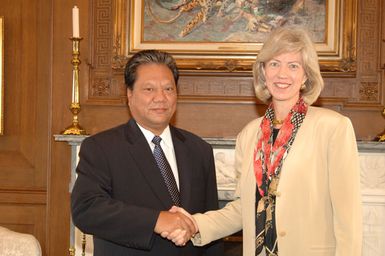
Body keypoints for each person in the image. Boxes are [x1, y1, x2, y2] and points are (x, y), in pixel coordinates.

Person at [166, 26, 363, 256]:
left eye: (293, 66)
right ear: (263, 72)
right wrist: (195, 224)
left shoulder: (333, 128)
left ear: (305, 76)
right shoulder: (249, 134)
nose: (282, 74)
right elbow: (244, 208)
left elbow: (348, 215)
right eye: (274, 63)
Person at [71, 49, 223, 256]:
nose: (161, 98)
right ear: (129, 94)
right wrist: (156, 220)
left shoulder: (199, 150)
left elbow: (212, 226)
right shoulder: (102, 147)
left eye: (168, 89)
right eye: (149, 89)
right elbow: (87, 210)